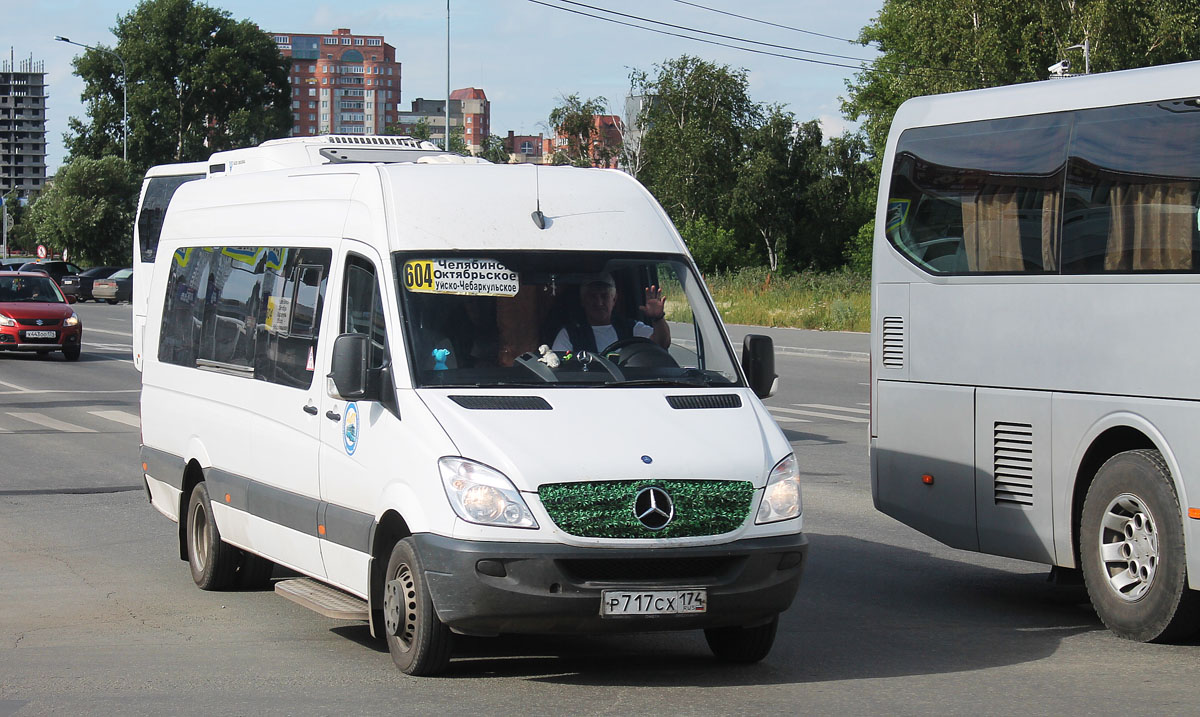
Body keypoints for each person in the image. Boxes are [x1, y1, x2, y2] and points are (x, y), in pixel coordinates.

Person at [551, 272, 670, 353]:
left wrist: (658, 318)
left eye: (604, 296)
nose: (599, 302)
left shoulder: (632, 328)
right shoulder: (569, 334)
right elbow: (559, 370)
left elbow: (661, 345)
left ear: (614, 299)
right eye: (592, 296)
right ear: (583, 300)